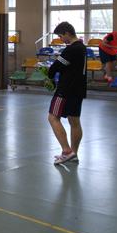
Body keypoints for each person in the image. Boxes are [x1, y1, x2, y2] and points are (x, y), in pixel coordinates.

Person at [46, 21, 87, 165]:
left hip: (66, 90)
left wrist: (49, 74)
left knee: (52, 117)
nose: (61, 39)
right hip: (78, 89)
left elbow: (55, 67)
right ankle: (73, 154)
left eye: (61, 36)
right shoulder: (82, 47)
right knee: (74, 121)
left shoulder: (71, 49)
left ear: (67, 33)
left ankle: (66, 151)